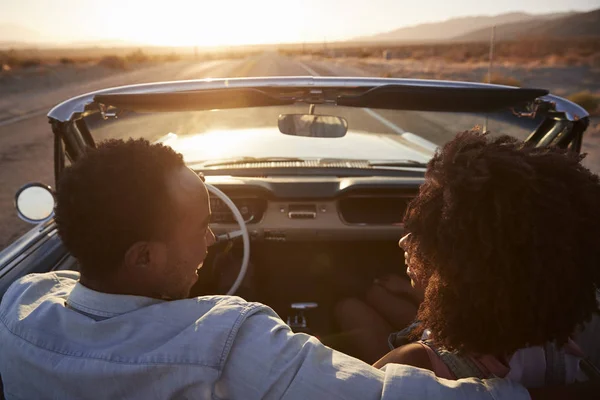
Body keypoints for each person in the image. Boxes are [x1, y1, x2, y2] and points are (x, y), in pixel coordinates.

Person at [0, 138, 593, 399]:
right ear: (144, 257)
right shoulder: (230, 344)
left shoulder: (19, 302)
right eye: (201, 225)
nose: (216, 237)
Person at [336, 130, 600, 388]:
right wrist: (407, 289)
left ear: (465, 272)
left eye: (424, 238)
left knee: (347, 307)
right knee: (371, 295)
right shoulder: (562, 346)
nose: (404, 242)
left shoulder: (410, 363)